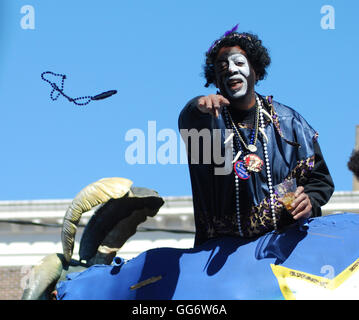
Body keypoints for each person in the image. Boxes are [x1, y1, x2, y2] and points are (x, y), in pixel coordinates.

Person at [178, 25, 335, 246]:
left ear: (257, 71)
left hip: (283, 250)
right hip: (222, 256)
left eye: (239, 63)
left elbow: (320, 180)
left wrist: (308, 200)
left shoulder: (291, 124)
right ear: (215, 79)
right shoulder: (208, 121)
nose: (231, 70)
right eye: (222, 66)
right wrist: (198, 106)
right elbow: (189, 120)